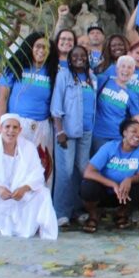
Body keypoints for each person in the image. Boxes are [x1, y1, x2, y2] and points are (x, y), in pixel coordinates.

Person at [0, 113, 57, 239]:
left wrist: (24, 188)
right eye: (7, 126)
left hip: (18, 196)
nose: (11, 131)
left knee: (44, 193)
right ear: (0, 129)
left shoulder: (28, 147)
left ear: (20, 130)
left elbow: (37, 176)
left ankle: (39, 228)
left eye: (15, 127)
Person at [0, 32, 58, 185]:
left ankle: (36, 204)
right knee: (14, 165)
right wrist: (1, 124)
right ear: (29, 47)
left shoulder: (52, 71)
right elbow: (3, 98)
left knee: (41, 165)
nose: (42, 50)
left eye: (46, 48)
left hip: (43, 126)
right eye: (38, 46)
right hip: (17, 125)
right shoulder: (15, 67)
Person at [50, 45, 97, 226]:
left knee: (81, 170)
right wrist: (59, 130)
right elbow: (56, 105)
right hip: (67, 132)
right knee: (65, 172)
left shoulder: (91, 77)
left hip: (86, 131)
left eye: (82, 55)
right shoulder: (63, 76)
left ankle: (77, 210)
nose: (79, 58)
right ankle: (61, 212)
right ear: (69, 59)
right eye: (75, 55)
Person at [80, 118, 139, 233]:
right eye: (134, 131)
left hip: (125, 193)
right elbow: (88, 172)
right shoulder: (110, 147)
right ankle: (93, 215)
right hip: (104, 191)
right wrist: (112, 184)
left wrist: (129, 179)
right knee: (87, 187)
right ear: (124, 133)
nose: (138, 135)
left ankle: (121, 213)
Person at [92, 55, 139, 153]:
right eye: (123, 66)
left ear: (133, 72)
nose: (126, 70)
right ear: (117, 69)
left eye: (129, 67)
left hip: (117, 137)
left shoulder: (132, 95)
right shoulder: (103, 80)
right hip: (98, 135)